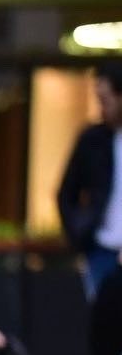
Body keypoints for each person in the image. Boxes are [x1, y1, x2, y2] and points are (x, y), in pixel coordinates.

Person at [57, 60, 122, 300]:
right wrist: (78, 235)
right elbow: (66, 193)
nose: (101, 108)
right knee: (104, 324)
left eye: (105, 100)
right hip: (101, 251)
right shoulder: (92, 140)